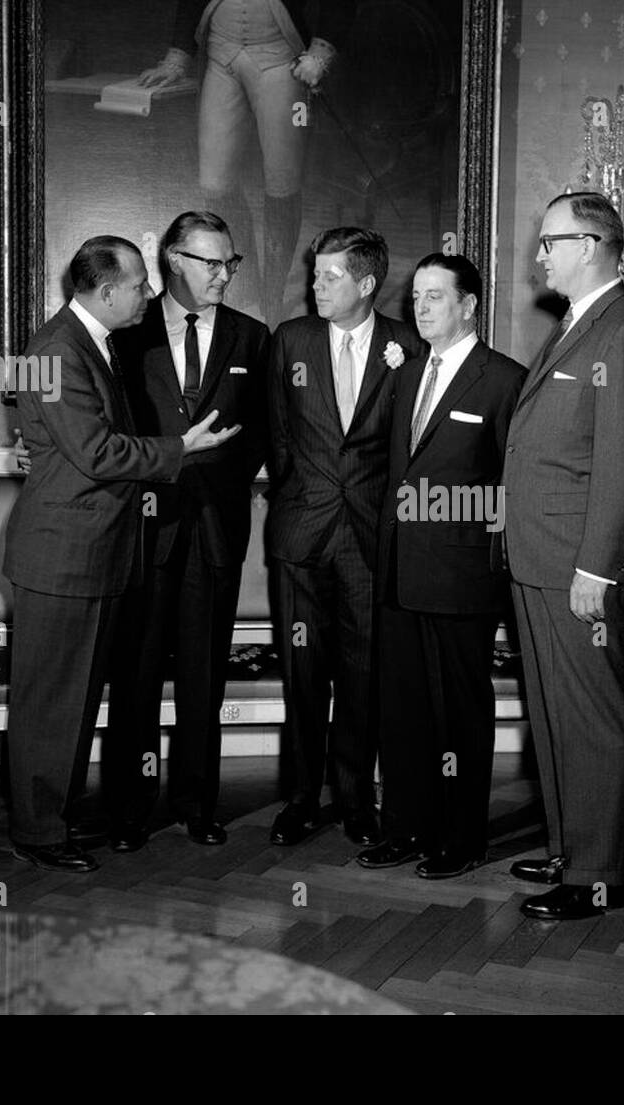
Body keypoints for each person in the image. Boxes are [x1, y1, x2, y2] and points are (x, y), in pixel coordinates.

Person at [2, 236, 238, 873]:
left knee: (70, 700)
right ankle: (39, 830)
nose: (147, 293)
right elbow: (97, 454)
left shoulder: (90, 345)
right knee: (51, 701)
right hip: (63, 558)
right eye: (138, 285)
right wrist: (179, 449)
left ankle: (52, 816)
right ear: (106, 293)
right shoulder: (59, 349)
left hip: (90, 555)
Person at [500, 192, 624, 921]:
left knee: (592, 716)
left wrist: (598, 569)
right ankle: (574, 846)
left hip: (577, 563)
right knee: (553, 712)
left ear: (592, 243)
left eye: (550, 242)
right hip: (539, 555)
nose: (540, 255)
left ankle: (599, 873)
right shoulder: (580, 324)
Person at [102, 211, 270, 852]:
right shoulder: (125, 335)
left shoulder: (253, 338)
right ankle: (128, 808)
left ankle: (198, 803)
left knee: (205, 676)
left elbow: (259, 432)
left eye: (230, 264)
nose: (223, 275)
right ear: (173, 259)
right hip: (143, 531)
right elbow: (107, 429)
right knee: (136, 674)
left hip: (214, 530)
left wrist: (220, 479)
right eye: (210, 262)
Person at [357, 254, 525, 879]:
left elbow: (512, 486)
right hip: (398, 569)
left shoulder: (504, 380)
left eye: (434, 297)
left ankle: (461, 837)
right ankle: (404, 826)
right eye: (416, 297)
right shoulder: (405, 375)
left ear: (469, 305)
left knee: (459, 711)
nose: (420, 308)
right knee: (401, 707)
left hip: (462, 579)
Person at [265, 226, 422, 848]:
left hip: (367, 541)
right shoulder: (291, 340)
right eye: (314, 273)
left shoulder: (406, 346)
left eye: (330, 276)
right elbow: (278, 439)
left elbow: (408, 450)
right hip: (301, 537)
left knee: (363, 674)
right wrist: (301, 497)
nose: (315, 285)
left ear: (366, 283)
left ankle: (356, 800)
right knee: (303, 673)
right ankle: (301, 800)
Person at [140, 1, 356, 326]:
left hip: (279, 57)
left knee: (282, 181)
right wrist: (177, 57)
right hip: (220, 55)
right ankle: (245, 288)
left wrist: (320, 53)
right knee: (214, 183)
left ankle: (272, 294)